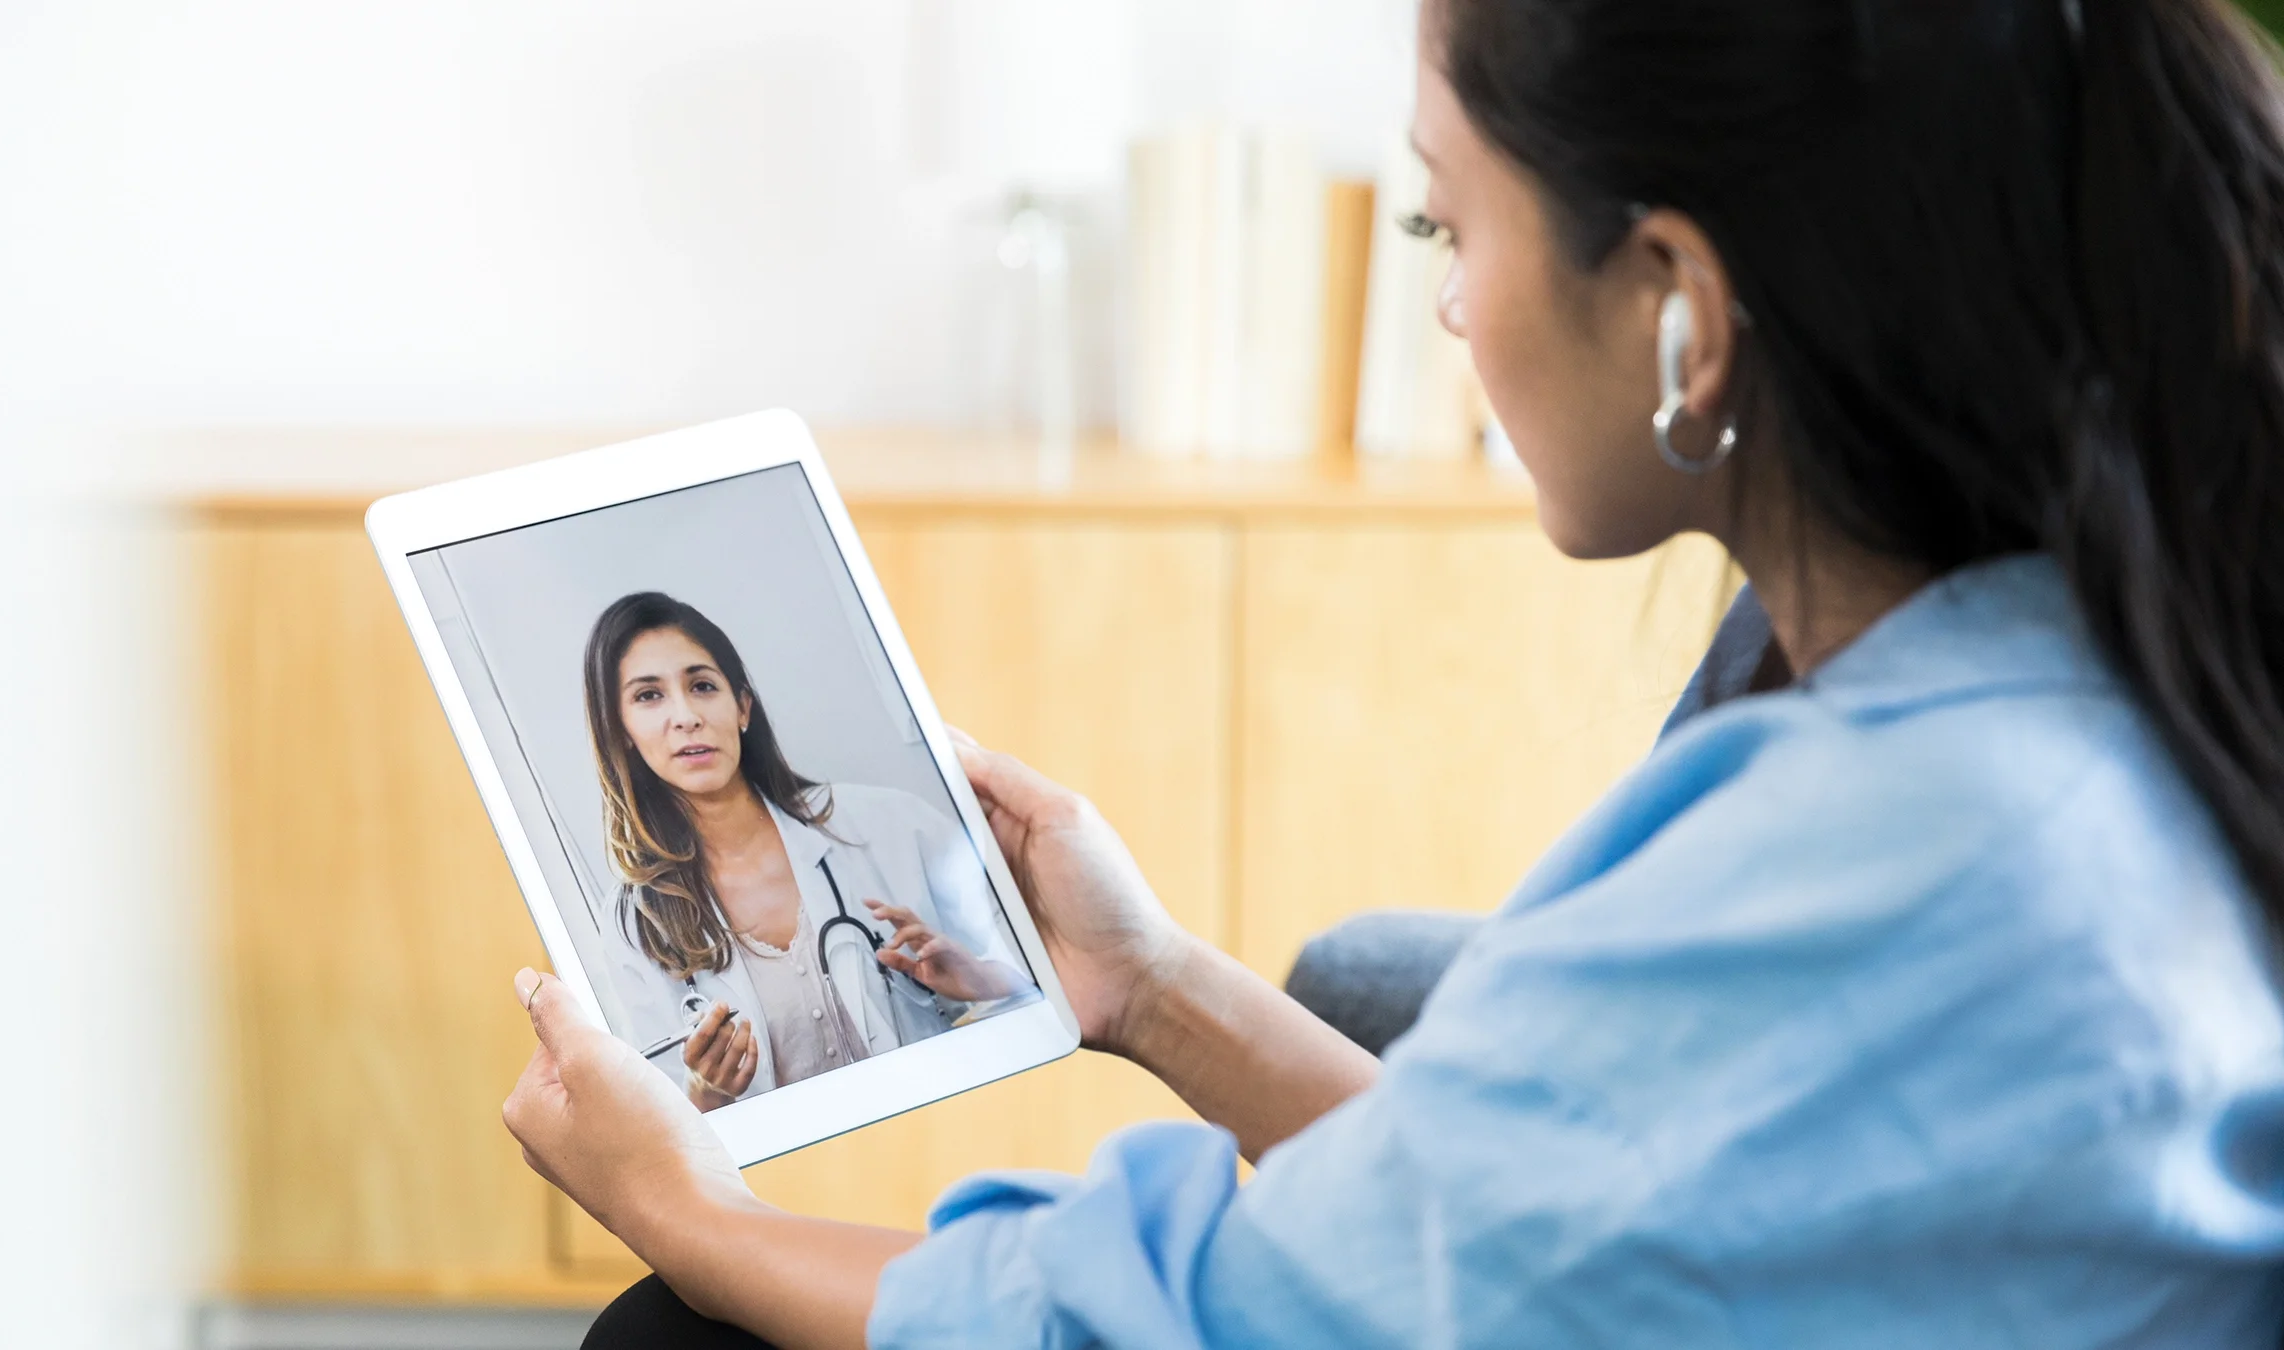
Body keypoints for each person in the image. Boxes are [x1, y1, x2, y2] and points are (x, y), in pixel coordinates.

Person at [505, 0, 2284, 1343]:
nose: (1448, 306)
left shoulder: (1887, 857)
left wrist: (685, 1205)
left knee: (681, 1328)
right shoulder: (2087, 636)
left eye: (1448, 224)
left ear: (1680, 300)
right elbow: (1551, 1188)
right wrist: (1150, 988)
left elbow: (1210, 1314)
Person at [583, 591, 1030, 1112]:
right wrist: (706, 1094)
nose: (685, 716)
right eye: (648, 696)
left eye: (702, 686)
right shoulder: (633, 924)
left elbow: (1050, 982)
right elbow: (660, 1126)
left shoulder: (888, 825)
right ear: (624, 734)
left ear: (743, 707)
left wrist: (984, 978)